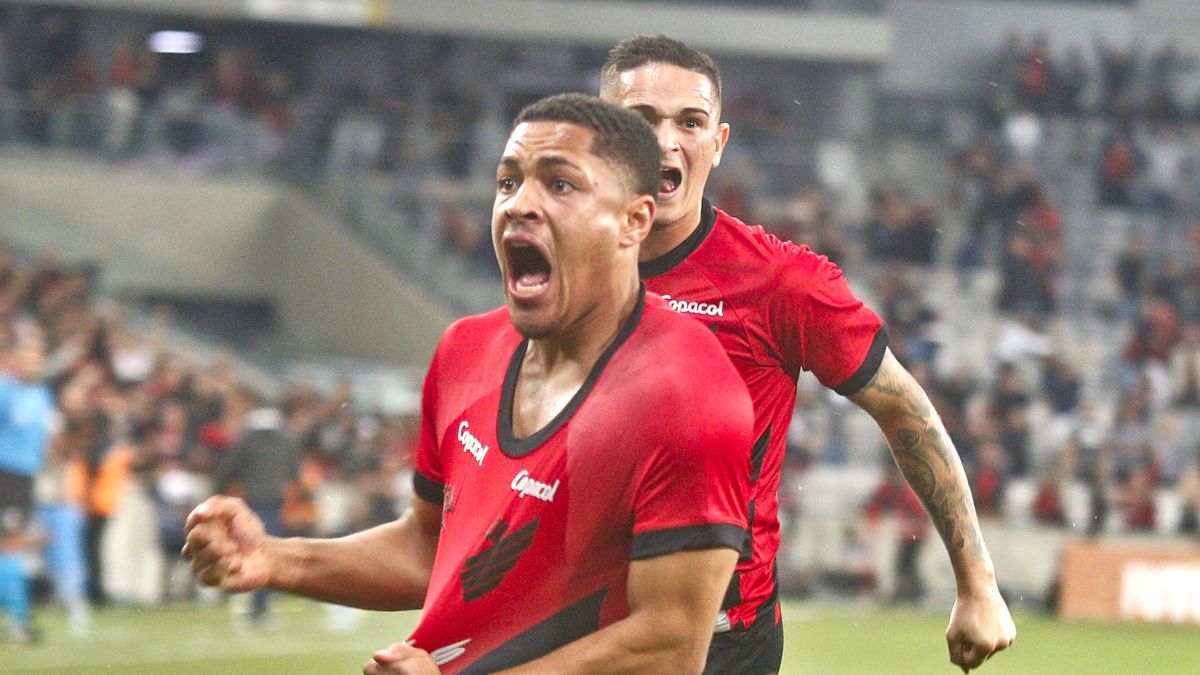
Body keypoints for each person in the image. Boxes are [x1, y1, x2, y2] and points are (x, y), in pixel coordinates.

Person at [184, 93, 755, 674]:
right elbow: (428, 549)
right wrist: (275, 559)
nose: (519, 205)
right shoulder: (465, 351)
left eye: (560, 185)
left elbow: (671, 645)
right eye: (508, 183)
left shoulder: (687, 394)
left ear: (634, 221)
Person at [598, 34, 1015, 673]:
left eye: (690, 122)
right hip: (572, 619)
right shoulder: (557, 266)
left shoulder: (779, 282)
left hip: (719, 641)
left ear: (718, 143)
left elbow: (906, 411)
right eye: (641, 120)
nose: (666, 141)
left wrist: (977, 583)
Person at [212, 396, 301, 628]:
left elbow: (228, 470)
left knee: (251, 551)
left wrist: (218, 492)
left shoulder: (247, 441)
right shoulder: (286, 441)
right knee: (266, 552)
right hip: (275, 502)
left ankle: (254, 605)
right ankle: (261, 605)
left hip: (252, 502)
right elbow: (294, 472)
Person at [0, 333, 56, 643]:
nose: (33, 362)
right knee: (12, 545)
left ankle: (19, 618)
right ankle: (20, 621)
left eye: (37, 356)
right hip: (6, 475)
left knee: (14, 547)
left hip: (26, 478)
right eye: (27, 356)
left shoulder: (43, 394)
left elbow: (43, 438)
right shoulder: (5, 392)